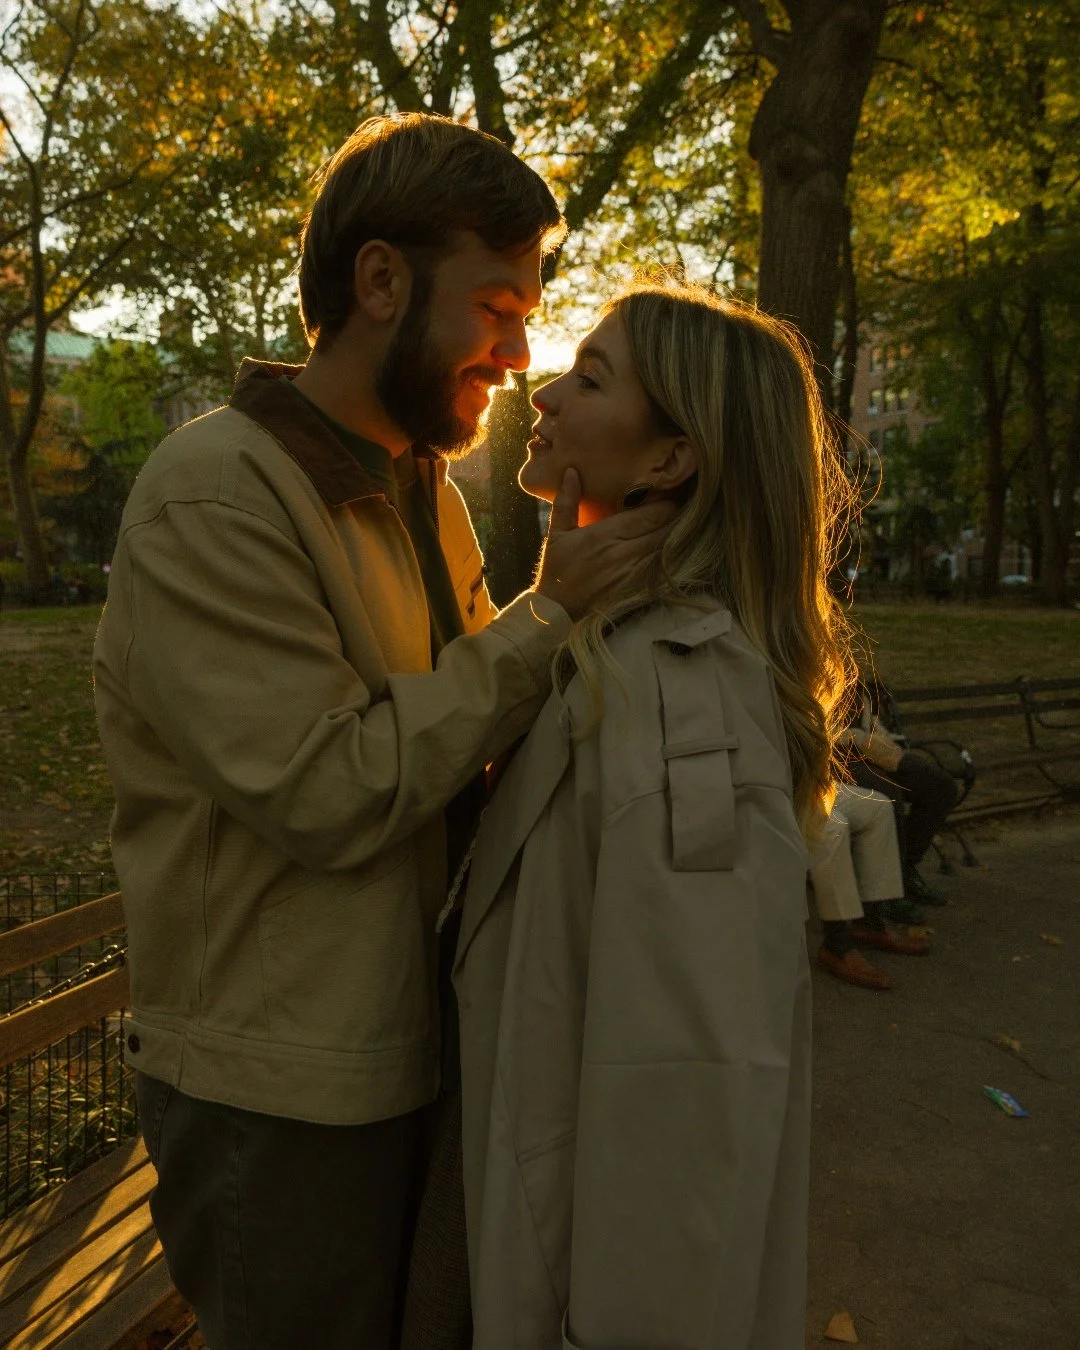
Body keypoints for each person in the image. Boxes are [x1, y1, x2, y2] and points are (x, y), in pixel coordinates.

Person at [92, 114, 675, 1350]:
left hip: (414, 1048)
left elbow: (463, 739)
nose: (521, 353)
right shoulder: (217, 493)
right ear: (379, 281)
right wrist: (551, 613)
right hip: (282, 1092)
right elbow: (325, 788)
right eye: (499, 305)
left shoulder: (428, 494)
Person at [452, 279, 853, 1349]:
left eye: (589, 377)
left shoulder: (677, 694)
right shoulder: (610, 657)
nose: (539, 393)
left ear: (672, 459)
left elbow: (689, 1095)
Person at [841, 679, 960, 918]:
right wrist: (856, 738)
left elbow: (867, 718)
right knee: (886, 794)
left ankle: (905, 868)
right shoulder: (802, 661)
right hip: (839, 757)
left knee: (940, 786)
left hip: (871, 748)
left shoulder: (844, 662)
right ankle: (886, 892)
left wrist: (884, 742)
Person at [812, 783, 931, 992]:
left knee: (878, 807)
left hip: (807, 781)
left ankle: (869, 920)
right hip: (770, 791)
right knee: (833, 827)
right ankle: (836, 944)